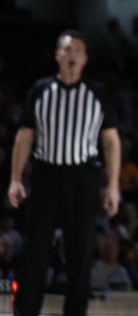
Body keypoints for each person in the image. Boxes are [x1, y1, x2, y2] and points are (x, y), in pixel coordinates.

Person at [8, 29, 120, 316]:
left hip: (83, 177)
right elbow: (24, 136)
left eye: (78, 51)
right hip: (46, 174)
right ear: (57, 55)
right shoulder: (40, 89)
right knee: (35, 248)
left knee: (80, 252)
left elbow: (110, 141)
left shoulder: (97, 93)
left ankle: (75, 312)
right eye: (68, 50)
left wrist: (113, 186)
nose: (73, 55)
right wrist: (16, 179)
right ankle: (25, 311)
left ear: (85, 59)